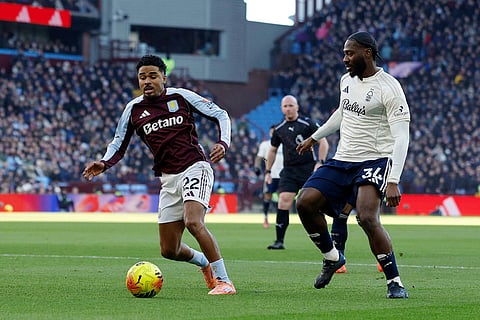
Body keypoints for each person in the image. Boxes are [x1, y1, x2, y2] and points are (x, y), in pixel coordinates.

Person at [82, 54, 235, 295]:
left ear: (164, 77)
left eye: (153, 76)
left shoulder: (180, 96)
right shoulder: (133, 109)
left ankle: (225, 281)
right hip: (168, 178)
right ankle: (204, 263)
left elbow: (220, 114)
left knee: (193, 222)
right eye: (142, 77)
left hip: (195, 166)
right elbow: (118, 142)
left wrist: (223, 143)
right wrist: (104, 163)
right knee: (169, 250)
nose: (147, 81)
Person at [296, 31, 410, 298]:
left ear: (367, 53)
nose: (345, 58)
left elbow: (402, 136)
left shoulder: (389, 87)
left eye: (350, 53)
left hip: (374, 159)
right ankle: (332, 257)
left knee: (367, 217)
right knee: (305, 202)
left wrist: (393, 179)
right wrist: (315, 136)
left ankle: (394, 281)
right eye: (344, 53)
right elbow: (342, 113)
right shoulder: (346, 80)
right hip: (342, 158)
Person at [264, 95, 329, 250]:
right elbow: (272, 151)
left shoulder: (308, 123)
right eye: (285, 106)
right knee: (283, 200)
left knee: (314, 204)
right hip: (289, 171)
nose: (288, 108)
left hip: (308, 168)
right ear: (282, 109)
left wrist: (320, 162)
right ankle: (279, 241)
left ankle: (325, 239)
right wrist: (268, 170)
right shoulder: (279, 129)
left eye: (291, 105)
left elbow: (323, 142)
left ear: (297, 107)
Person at [254, 125, 283, 228]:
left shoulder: (284, 144)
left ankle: (281, 220)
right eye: (272, 132)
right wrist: (257, 167)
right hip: (270, 174)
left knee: (283, 198)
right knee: (268, 196)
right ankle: (266, 217)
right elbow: (259, 158)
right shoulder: (265, 145)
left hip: (284, 175)